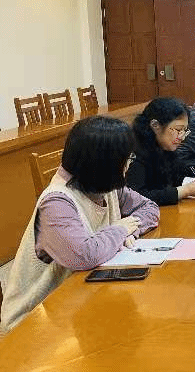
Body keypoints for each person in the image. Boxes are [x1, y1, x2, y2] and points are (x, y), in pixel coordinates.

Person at [0, 116, 160, 334]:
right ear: (105, 163)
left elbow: (149, 208)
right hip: (35, 321)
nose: (129, 165)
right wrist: (120, 230)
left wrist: (130, 231)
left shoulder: (106, 184)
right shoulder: (57, 202)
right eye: (126, 159)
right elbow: (84, 255)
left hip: (79, 302)